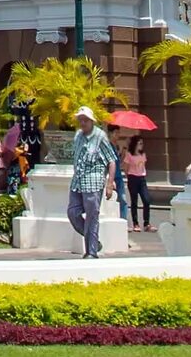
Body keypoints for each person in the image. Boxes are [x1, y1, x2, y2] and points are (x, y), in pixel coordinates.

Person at [65, 106, 117, 258]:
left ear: (92, 121)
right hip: (78, 182)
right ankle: (94, 241)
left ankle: (91, 251)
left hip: (93, 183)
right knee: (72, 213)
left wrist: (109, 183)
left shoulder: (100, 137)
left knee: (92, 217)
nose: (83, 123)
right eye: (80, 120)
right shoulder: (78, 136)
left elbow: (111, 161)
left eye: (85, 120)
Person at [120, 134, 152, 230]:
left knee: (146, 200)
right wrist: (129, 176)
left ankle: (146, 223)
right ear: (135, 144)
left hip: (142, 178)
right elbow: (125, 167)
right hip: (133, 178)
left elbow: (143, 166)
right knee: (134, 201)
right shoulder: (129, 155)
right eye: (139, 144)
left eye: (142, 144)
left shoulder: (143, 154)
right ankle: (135, 223)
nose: (141, 145)